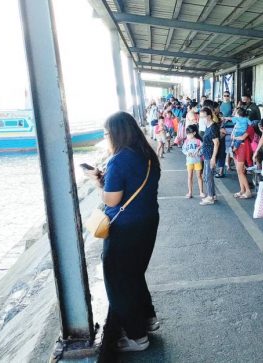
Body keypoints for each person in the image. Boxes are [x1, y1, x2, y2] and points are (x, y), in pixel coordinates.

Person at [85, 111, 161, 352]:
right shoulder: (147, 154)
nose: (105, 137)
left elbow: (112, 199)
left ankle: (137, 336)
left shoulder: (118, 160)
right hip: (148, 221)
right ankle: (148, 319)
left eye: (106, 133)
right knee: (135, 272)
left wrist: (98, 184)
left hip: (126, 227)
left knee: (117, 278)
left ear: (116, 133)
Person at [200, 107, 220, 205]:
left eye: (203, 116)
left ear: (209, 116)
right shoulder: (208, 125)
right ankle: (213, 195)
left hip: (210, 155)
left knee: (208, 176)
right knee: (208, 175)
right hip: (207, 153)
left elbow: (216, 143)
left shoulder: (213, 127)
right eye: (201, 117)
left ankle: (210, 197)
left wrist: (213, 158)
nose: (202, 118)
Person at [182, 124, 205, 198]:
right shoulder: (186, 141)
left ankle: (201, 192)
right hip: (189, 161)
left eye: (189, 133)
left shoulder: (198, 141)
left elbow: (202, 149)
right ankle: (190, 192)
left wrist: (199, 152)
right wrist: (187, 153)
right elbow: (183, 149)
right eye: (187, 133)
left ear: (194, 133)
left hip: (197, 161)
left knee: (199, 176)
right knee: (190, 177)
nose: (187, 135)